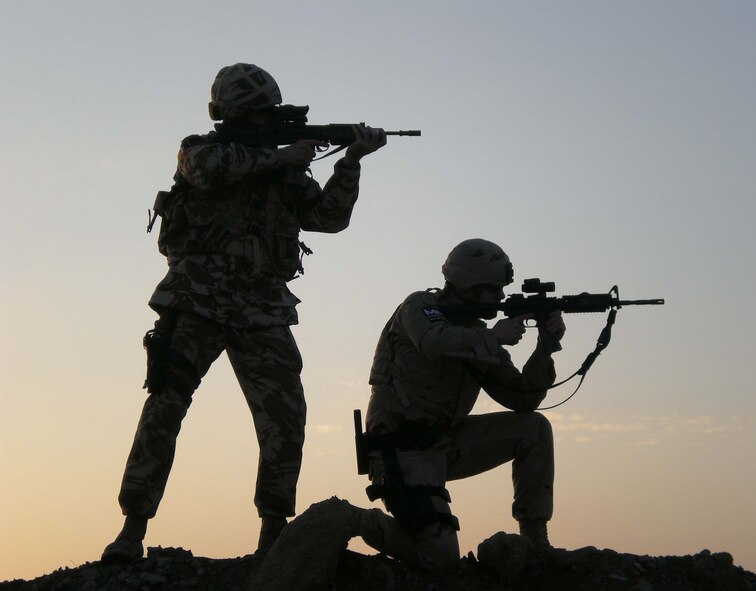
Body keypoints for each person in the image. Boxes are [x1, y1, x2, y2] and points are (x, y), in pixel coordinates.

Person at [101, 63, 386, 563]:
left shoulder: (285, 167)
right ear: (233, 114)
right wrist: (279, 157)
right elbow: (209, 171)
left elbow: (327, 219)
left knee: (285, 416)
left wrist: (351, 161)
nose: (266, 120)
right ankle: (131, 529)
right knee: (165, 407)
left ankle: (273, 534)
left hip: (261, 306)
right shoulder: (200, 150)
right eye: (258, 113)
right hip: (197, 298)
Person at [354, 238, 565, 573]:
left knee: (534, 428)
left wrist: (546, 347)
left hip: (447, 443)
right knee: (439, 559)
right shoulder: (419, 307)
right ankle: (356, 521)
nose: (500, 298)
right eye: (493, 290)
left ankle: (535, 540)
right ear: (469, 286)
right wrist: (494, 337)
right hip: (403, 450)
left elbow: (522, 399)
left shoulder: (476, 332)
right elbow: (434, 343)